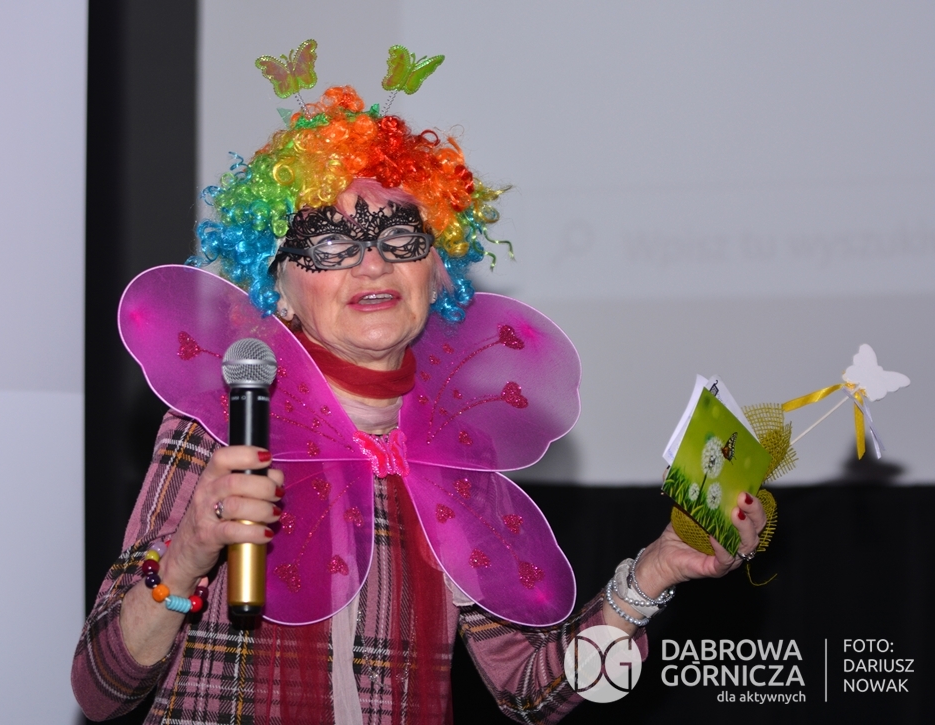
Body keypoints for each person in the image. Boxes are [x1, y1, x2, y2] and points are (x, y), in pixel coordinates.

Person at [72, 71, 766, 724]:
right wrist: (189, 555)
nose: (372, 262)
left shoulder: (456, 454)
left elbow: (531, 691)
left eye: (401, 236)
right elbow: (100, 688)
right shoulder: (222, 428)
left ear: (437, 273)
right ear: (278, 288)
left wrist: (653, 573)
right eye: (330, 243)